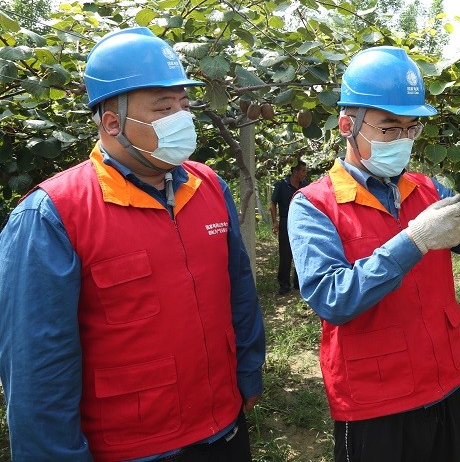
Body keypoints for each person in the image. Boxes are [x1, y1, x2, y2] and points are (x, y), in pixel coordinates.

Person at [0, 27, 266, 462]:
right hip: (132, 446)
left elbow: (239, 292)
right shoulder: (53, 214)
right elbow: (37, 366)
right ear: (112, 123)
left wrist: (248, 372)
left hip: (222, 428)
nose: (181, 118)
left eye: (184, 104)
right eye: (163, 108)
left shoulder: (207, 186)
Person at [287, 45, 460, 462]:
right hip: (375, 401)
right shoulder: (314, 205)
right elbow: (332, 298)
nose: (402, 140)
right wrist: (413, 241)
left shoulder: (427, 188)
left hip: (445, 384)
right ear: (347, 125)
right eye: (389, 128)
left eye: (411, 128)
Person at [270, 159, 309, 294]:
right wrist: (275, 221)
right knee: (285, 254)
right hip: (286, 222)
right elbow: (272, 204)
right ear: (295, 172)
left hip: (302, 222)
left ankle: (299, 282)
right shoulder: (282, 185)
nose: (305, 173)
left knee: (302, 251)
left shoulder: (305, 185)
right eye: (303, 171)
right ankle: (284, 284)